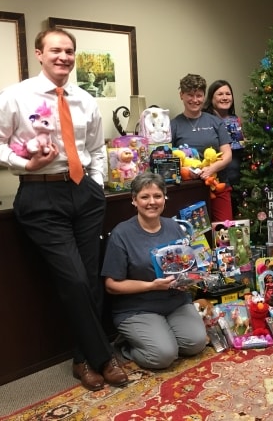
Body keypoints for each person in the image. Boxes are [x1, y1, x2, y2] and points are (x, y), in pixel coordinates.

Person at [0, 28, 127, 391]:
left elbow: (97, 148)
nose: (64, 57)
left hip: (84, 193)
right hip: (40, 196)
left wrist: (97, 184)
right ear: (39, 54)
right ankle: (103, 357)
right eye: (56, 50)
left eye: (69, 51)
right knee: (72, 280)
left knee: (90, 279)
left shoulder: (85, 99)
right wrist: (25, 165)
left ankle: (82, 359)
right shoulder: (15, 97)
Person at [101, 173, 208, 369]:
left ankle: (162, 335)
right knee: (163, 356)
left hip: (175, 301)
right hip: (136, 308)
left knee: (197, 343)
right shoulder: (121, 234)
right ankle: (126, 346)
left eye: (157, 196)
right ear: (134, 200)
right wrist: (151, 286)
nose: (152, 202)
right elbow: (111, 285)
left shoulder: (174, 226)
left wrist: (194, 275)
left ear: (164, 198)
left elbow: (183, 265)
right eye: (144, 197)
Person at [171, 74, 233, 222]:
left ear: (204, 96)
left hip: (218, 186)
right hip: (188, 190)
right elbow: (169, 159)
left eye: (199, 95)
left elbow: (227, 154)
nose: (195, 100)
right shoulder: (174, 125)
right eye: (190, 95)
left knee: (224, 230)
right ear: (181, 95)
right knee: (195, 236)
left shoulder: (215, 122)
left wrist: (211, 169)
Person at [203, 80, 243, 219]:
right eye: (220, 94)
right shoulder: (206, 120)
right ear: (211, 98)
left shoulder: (236, 120)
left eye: (228, 93)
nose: (225, 97)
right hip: (215, 180)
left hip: (237, 179)